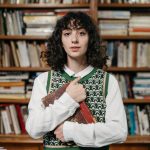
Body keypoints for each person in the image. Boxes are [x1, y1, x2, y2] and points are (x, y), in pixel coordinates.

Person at [26, 11, 127, 150]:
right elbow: (33, 129)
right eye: (67, 34)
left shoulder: (108, 81)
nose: (74, 40)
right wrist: (68, 99)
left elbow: (119, 132)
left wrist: (71, 131)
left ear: (90, 39)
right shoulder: (43, 81)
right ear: (60, 40)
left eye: (81, 33)